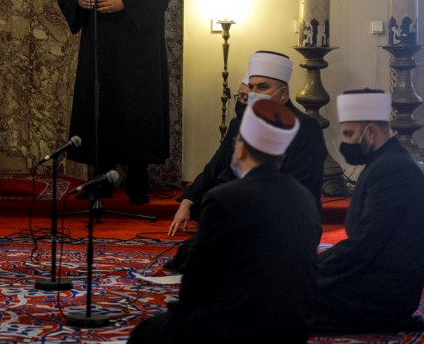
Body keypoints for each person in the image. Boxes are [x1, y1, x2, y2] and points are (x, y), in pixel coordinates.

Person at [128, 99, 322, 344]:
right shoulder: (304, 198)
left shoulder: (224, 198)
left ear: (240, 150)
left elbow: (196, 281)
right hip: (294, 328)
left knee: (146, 333)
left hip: (236, 329)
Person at [57, 0, 173, 204]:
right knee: (99, 105)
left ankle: (137, 177)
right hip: (99, 45)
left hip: (138, 46)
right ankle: (101, 176)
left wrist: (126, 3)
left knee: (137, 108)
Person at [165, 51, 327, 272]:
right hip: (245, 218)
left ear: (283, 93)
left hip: (289, 222)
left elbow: (301, 188)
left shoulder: (307, 128)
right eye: (251, 88)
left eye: (263, 87)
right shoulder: (246, 125)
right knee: (189, 256)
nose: (254, 94)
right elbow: (224, 174)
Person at [311, 89, 424, 334]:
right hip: (374, 273)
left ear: (371, 132)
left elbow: (364, 244)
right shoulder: (385, 161)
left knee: (287, 298)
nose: (346, 143)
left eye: (349, 134)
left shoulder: (393, 170)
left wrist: (313, 269)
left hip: (384, 292)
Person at [167, 74, 249, 237]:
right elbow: (215, 165)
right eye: (239, 97)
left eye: (246, 98)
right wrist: (187, 200)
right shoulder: (236, 125)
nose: (241, 102)